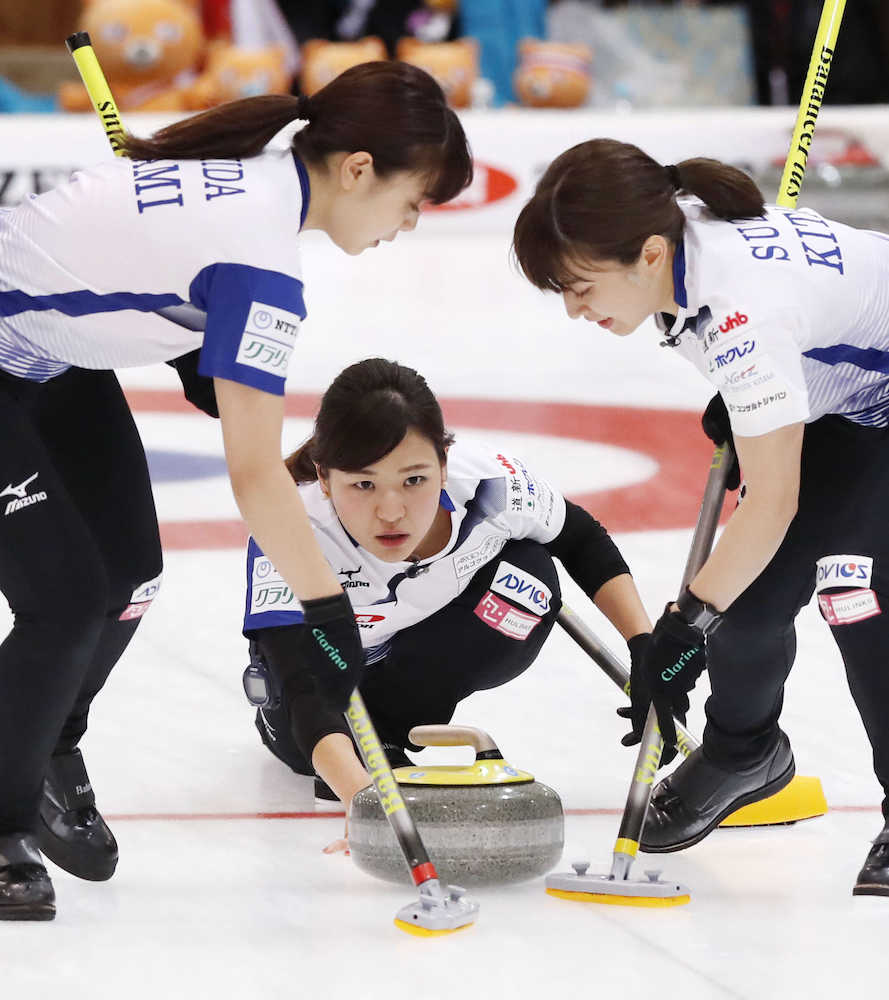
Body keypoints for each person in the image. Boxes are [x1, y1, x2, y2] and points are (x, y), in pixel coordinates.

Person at [0, 61, 472, 921]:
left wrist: (187, 346)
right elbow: (255, 478)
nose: (409, 225)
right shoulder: (261, 262)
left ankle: (44, 747)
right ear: (357, 168)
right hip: (15, 350)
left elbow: (127, 254)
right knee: (65, 600)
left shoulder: (257, 177)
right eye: (413, 201)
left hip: (47, 354)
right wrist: (330, 612)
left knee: (129, 576)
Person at [512, 137, 889, 897]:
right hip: (847, 393)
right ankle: (742, 752)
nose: (574, 310)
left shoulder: (741, 314)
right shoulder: (673, 224)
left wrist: (684, 627)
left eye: (580, 288)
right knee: (748, 601)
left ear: (648, 254)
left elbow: (773, 503)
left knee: (859, 595)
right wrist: (761, 401)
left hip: (869, 400)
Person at [242, 356, 656, 850]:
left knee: (529, 575)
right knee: (304, 698)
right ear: (325, 478)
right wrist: (364, 802)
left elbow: (581, 538)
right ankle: (358, 760)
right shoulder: (290, 522)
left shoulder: (488, 484)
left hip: (408, 659)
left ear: (443, 464)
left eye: (414, 480)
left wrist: (645, 649)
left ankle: (392, 732)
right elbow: (303, 684)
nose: (391, 511)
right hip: (310, 706)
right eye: (363, 484)